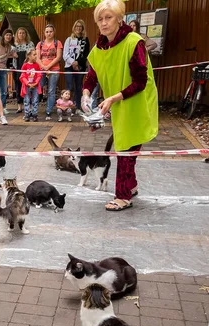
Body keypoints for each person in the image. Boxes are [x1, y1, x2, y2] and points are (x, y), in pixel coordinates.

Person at [82, 0, 158, 212]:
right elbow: (92, 75)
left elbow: (140, 82)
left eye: (108, 18)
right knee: (127, 146)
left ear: (119, 19)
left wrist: (113, 98)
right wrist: (86, 94)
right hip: (118, 103)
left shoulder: (134, 42)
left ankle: (123, 196)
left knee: (125, 150)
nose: (104, 23)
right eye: (100, 19)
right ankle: (131, 186)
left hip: (137, 103)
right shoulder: (99, 48)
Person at [36, 24, 63, 120]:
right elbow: (37, 58)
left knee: (51, 91)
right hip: (42, 69)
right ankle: (34, 108)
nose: (49, 33)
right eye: (47, 31)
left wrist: (48, 67)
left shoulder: (57, 43)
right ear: (44, 33)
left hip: (54, 69)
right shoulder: (40, 44)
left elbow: (58, 57)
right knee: (39, 86)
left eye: (50, 31)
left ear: (53, 32)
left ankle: (48, 111)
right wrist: (43, 67)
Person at [63, 19, 90, 110]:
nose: (78, 28)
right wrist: (72, 62)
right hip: (69, 67)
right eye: (77, 26)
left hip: (80, 67)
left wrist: (77, 62)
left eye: (80, 26)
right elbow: (65, 54)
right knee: (70, 87)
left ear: (82, 28)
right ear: (74, 27)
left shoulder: (85, 40)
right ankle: (67, 106)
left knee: (78, 87)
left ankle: (78, 107)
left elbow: (86, 54)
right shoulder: (69, 39)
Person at [13, 27, 35, 114]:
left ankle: (29, 105)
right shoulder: (14, 44)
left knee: (28, 86)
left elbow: (33, 55)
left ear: (26, 34)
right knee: (18, 87)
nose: (21, 34)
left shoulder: (30, 44)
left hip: (28, 68)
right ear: (17, 35)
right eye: (19, 33)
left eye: (23, 33)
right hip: (17, 67)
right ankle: (19, 106)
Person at [0, 29, 17, 114]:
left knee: (4, 90)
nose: (8, 37)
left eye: (10, 35)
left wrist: (14, 55)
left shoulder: (9, 47)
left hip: (4, 69)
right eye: (7, 35)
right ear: (4, 36)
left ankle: (3, 106)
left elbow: (14, 53)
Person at [19, 48, 42, 122]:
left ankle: (34, 114)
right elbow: (22, 76)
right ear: (29, 56)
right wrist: (27, 83)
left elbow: (39, 74)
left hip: (35, 86)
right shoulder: (25, 65)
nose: (36, 56)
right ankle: (27, 114)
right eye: (34, 54)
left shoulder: (37, 65)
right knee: (27, 100)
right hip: (27, 86)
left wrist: (36, 82)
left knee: (35, 100)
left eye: (36, 54)